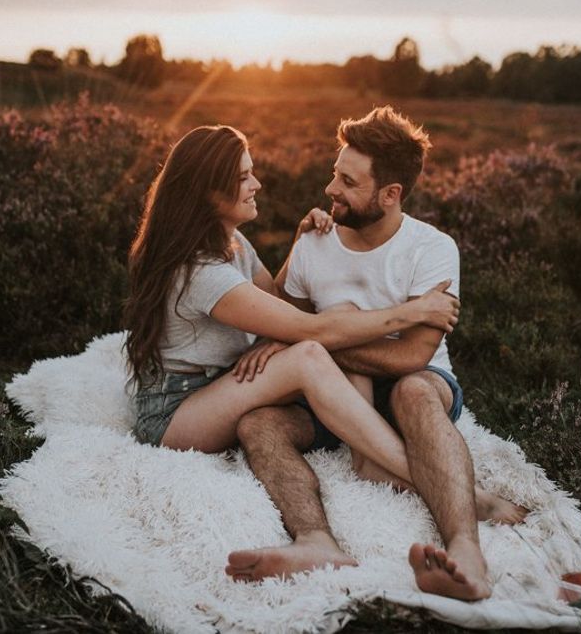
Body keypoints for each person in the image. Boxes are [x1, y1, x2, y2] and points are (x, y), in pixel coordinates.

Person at [224, 107, 529, 601]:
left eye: (348, 182)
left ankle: (466, 552)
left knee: (412, 393)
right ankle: (315, 541)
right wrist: (298, 249)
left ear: (390, 194)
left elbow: (411, 356)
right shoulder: (316, 240)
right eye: (335, 173)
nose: (331, 189)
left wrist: (314, 345)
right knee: (257, 424)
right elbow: (283, 318)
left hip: (416, 383)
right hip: (333, 392)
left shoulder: (431, 249)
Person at [122, 125, 461, 498]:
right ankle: (437, 485)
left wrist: (301, 243)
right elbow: (309, 328)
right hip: (176, 412)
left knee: (336, 320)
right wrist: (415, 312)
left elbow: (275, 300)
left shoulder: (232, 242)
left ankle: (371, 461)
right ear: (207, 192)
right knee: (308, 356)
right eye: (243, 177)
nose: (256, 185)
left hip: (218, 385)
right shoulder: (200, 272)